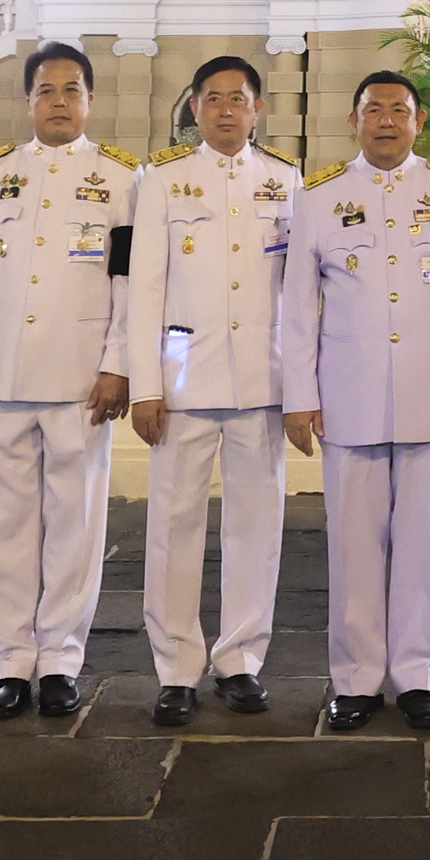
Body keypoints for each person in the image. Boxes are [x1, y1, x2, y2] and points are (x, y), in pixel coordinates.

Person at [282, 68, 430, 730]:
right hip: (349, 392)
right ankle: (356, 678)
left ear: (418, 121)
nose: (386, 121)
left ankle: (419, 675)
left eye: (399, 110)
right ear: (355, 121)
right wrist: (298, 394)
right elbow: (297, 306)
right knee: (354, 544)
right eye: (373, 110)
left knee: (423, 541)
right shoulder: (320, 196)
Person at [0, 41, 135, 718]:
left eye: (71, 90)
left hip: (81, 377)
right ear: (28, 102)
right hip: (3, 373)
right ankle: (10, 662)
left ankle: (60, 660)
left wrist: (118, 362)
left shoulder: (120, 178)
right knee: (4, 525)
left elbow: (127, 281)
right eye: (46, 91)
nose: (59, 101)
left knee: (75, 524)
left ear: (89, 100)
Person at [124, 52, 297, 724]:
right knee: (174, 528)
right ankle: (176, 668)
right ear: (194, 108)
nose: (226, 110)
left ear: (257, 110)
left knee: (257, 527)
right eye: (214, 99)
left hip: (261, 378)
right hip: (183, 380)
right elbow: (145, 287)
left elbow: (298, 294)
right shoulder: (163, 179)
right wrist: (146, 384)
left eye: (238, 98)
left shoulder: (285, 179)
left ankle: (241, 660)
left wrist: (299, 386)